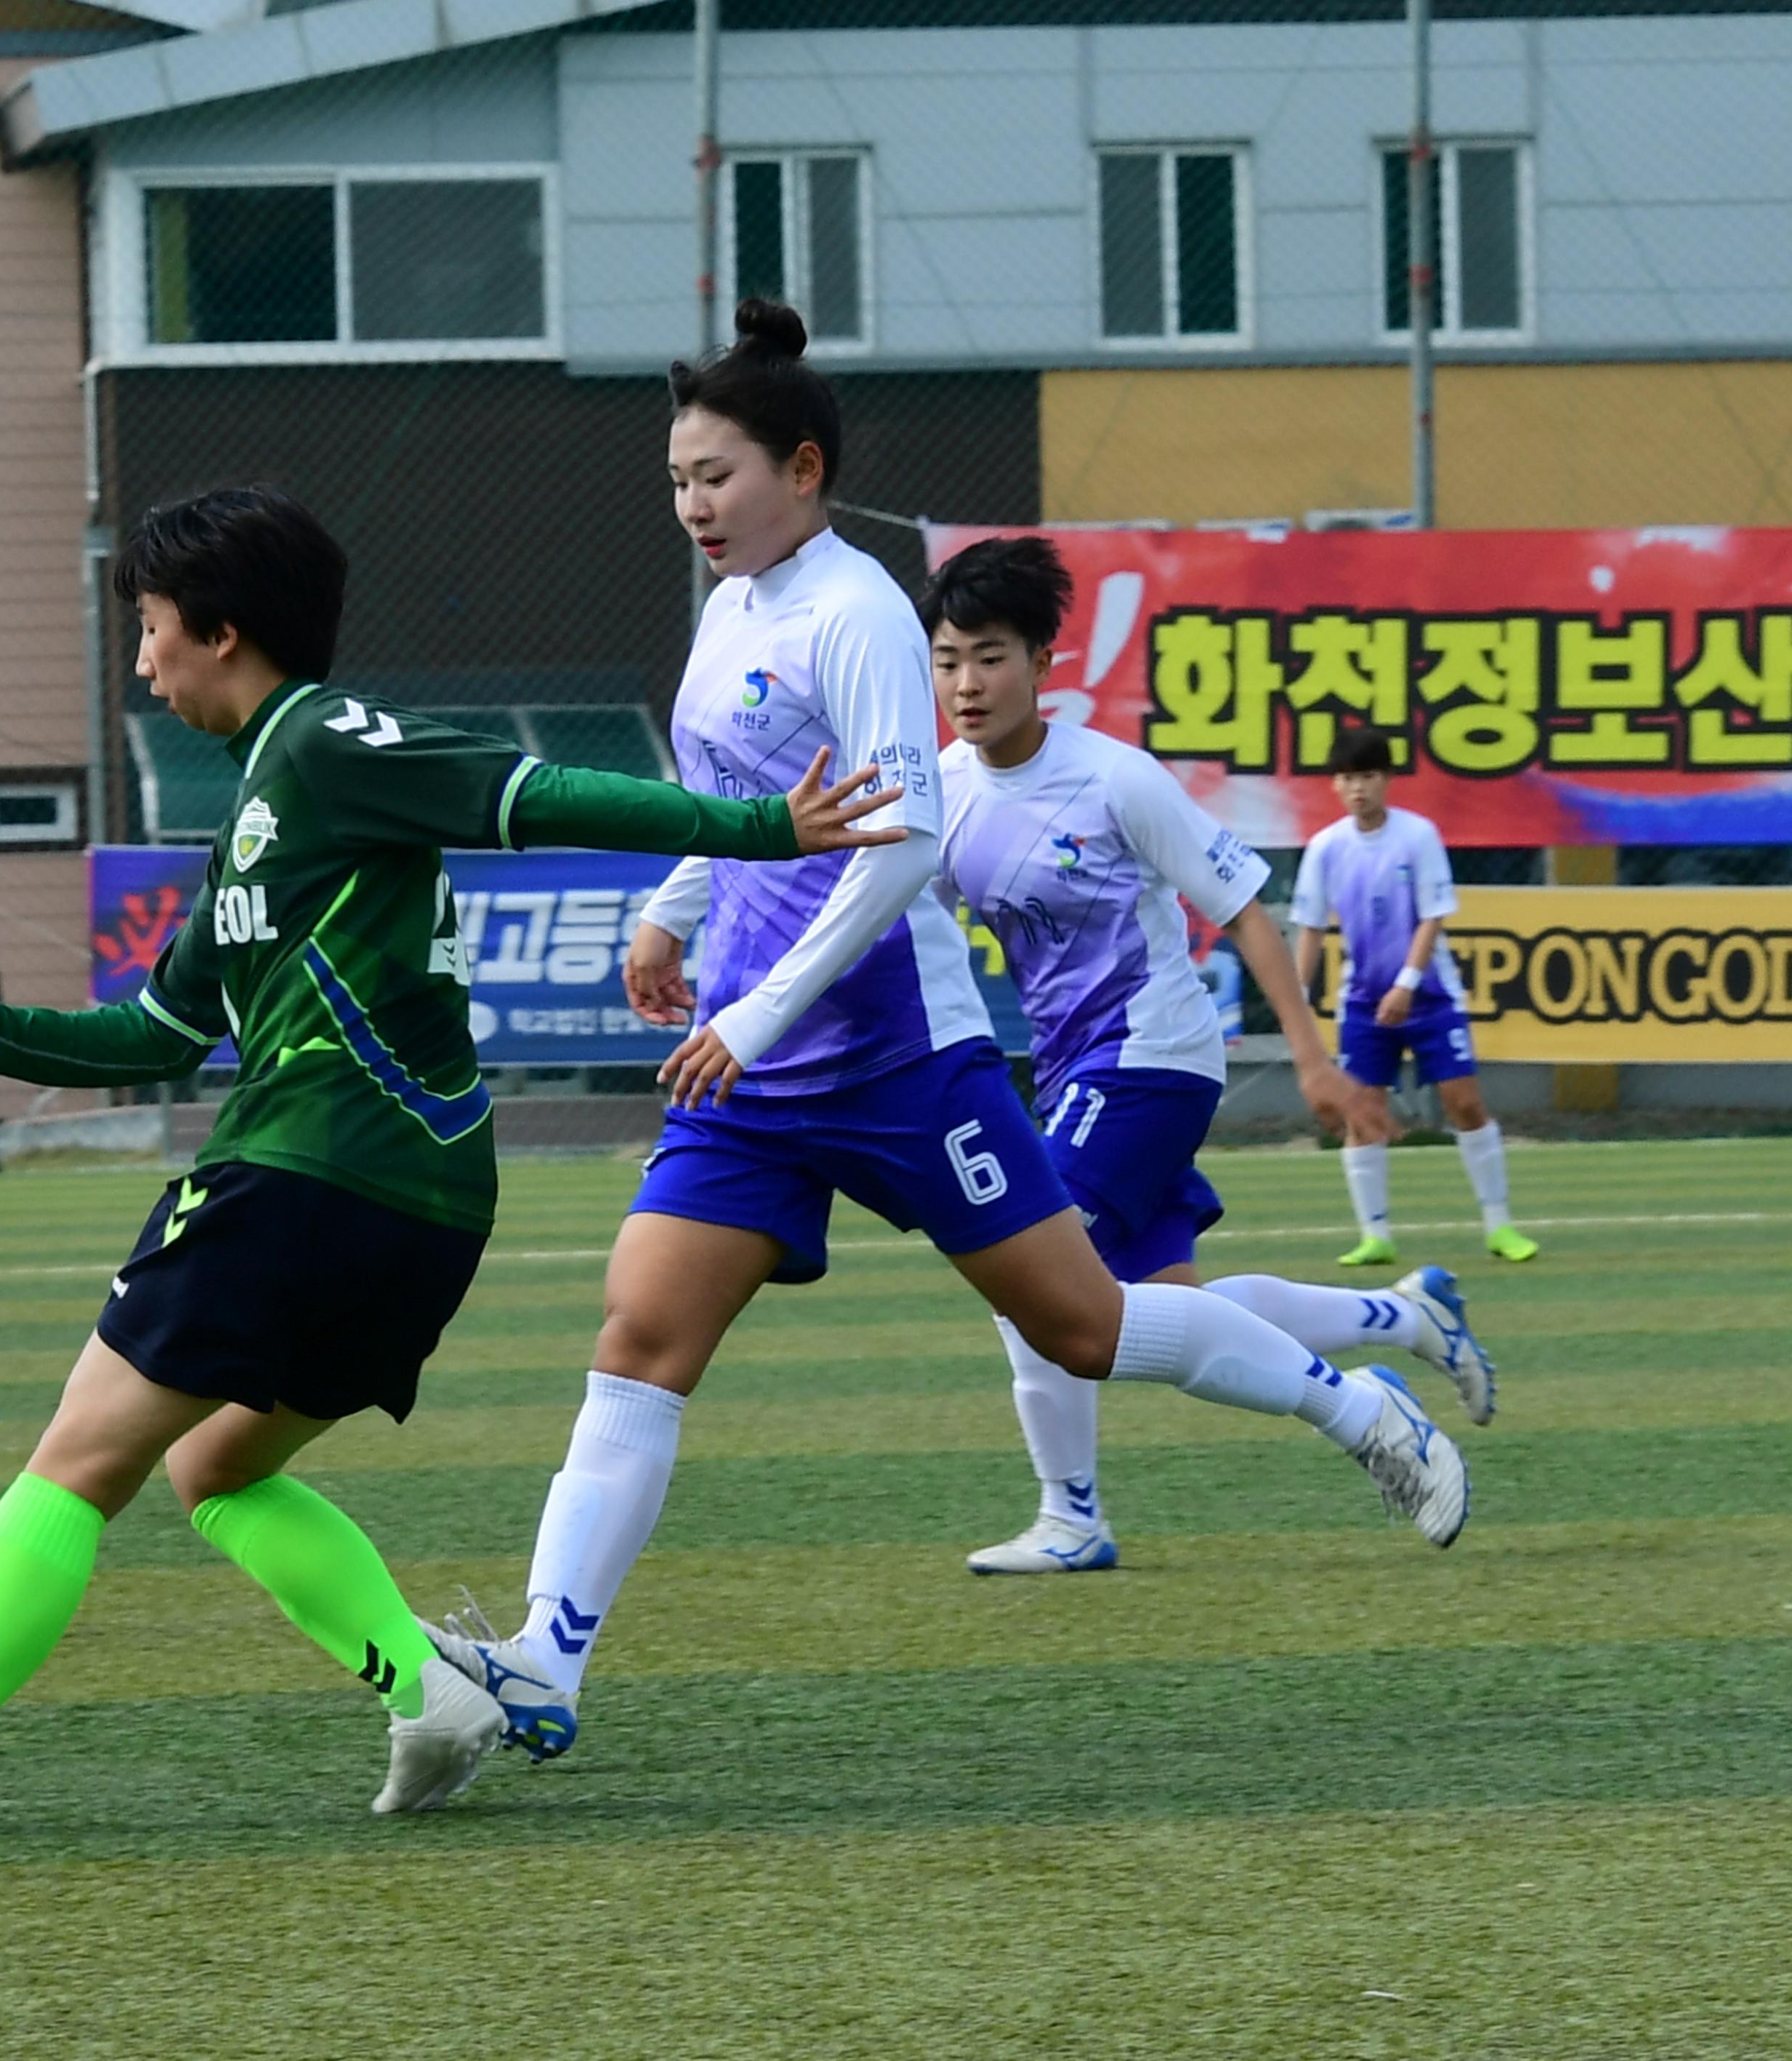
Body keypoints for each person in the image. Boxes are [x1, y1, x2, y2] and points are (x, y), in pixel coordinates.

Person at [424, 303, 1471, 1765]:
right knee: (640, 1335)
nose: (691, 507)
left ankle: (1354, 1407)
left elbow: (900, 846)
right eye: (676, 481)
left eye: (714, 477)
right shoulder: (728, 606)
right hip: (748, 1072)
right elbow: (752, 799)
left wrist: (759, 1008)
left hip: (899, 1059)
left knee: (1081, 1323)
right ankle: (547, 1661)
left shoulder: (854, 609)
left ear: (804, 468)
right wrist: (671, 907)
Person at [0, 483, 905, 1838]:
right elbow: (157, 1026)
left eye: (150, 628)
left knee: (77, 1462)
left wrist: (759, 828)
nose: (142, 660)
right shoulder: (263, 805)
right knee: (218, 1472)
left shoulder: (323, 739)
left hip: (297, 1175)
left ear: (223, 628)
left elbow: (530, 792)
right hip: (418, 1213)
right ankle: (429, 1692)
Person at [922, 535, 1501, 1578]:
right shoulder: (943, 792)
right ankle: (1404, 1316)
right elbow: (904, 926)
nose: (967, 682)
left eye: (992, 655)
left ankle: (1076, 1513)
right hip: (1073, 1074)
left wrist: (1314, 1063)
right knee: (1165, 1305)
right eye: (948, 657)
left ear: (1044, 661)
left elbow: (1245, 914)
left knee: (1028, 1271)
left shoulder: (1113, 780)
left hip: (1153, 1054)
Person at [1296, 727, 1537, 1266]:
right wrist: (1296, 1001)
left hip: (1428, 999)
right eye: (1348, 778)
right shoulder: (1326, 848)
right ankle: (1376, 1235)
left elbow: (1433, 916)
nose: (1358, 788)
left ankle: (1500, 1227)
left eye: (1368, 777)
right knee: (1364, 1114)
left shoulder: (1417, 836)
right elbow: (1310, 927)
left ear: (1387, 780)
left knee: (1465, 1103)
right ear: (1336, 785)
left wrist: (1406, 984)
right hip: (1362, 1003)